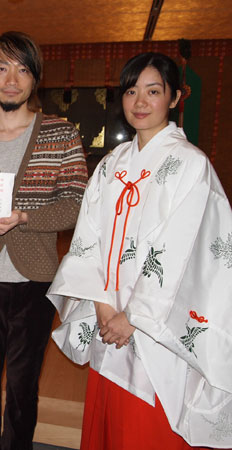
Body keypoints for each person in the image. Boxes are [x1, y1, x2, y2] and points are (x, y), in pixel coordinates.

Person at [47, 52, 232, 449]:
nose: (140, 102)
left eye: (153, 91)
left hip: (155, 327)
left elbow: (183, 251)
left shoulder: (190, 165)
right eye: (132, 91)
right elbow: (88, 236)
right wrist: (101, 304)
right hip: (108, 316)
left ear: (175, 97)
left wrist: (133, 318)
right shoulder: (111, 164)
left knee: (147, 428)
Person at [0, 31, 88, 450]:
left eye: (23, 69)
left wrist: (23, 217)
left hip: (36, 282)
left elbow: (78, 204)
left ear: (35, 79)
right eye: (2, 68)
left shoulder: (61, 135)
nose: (12, 79)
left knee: (24, 391)